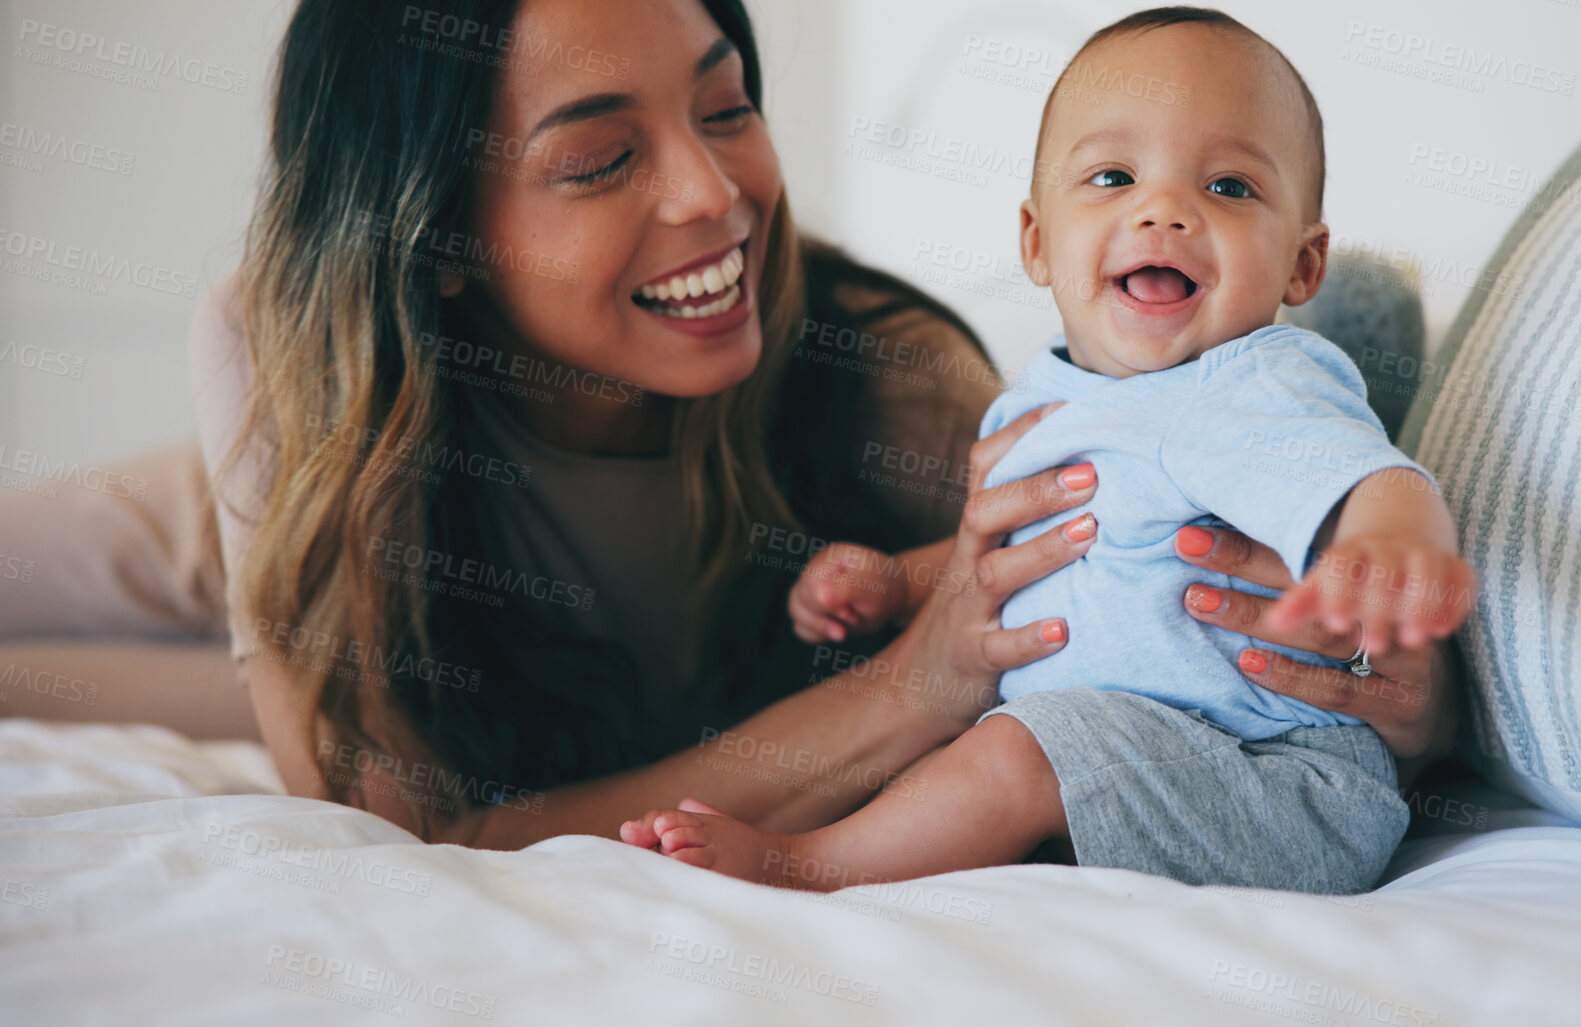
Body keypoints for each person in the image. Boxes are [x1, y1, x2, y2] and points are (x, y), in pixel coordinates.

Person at [1, 0, 1460, 853]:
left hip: (519, 645)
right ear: (435, 230)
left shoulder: (885, 375)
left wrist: (1408, 704)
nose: (713, 199)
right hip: (329, 478)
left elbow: (1169, 637)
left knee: (40, 685)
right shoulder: (285, 348)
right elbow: (398, 824)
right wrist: (904, 679)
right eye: (597, 159)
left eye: (724, 106)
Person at [622, 8, 1474, 893]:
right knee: (996, 747)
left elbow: (1367, 477)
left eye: (1228, 187)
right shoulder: (1047, 399)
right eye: (1112, 176)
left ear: (1302, 265)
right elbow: (1033, 555)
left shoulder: (1256, 379)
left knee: (1016, 751)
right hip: (1131, 754)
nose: (1163, 209)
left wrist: (1393, 546)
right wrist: (896, 581)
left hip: (1276, 777)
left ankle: (805, 866)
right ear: (1036, 241)